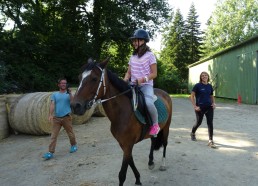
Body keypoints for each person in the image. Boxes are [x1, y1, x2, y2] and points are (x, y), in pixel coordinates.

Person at [124, 28, 160, 136]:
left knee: (148, 104)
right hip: (133, 85)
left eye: (136, 40)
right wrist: (125, 79)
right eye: (133, 41)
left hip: (146, 86)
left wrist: (143, 79)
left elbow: (154, 73)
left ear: (143, 41)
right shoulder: (132, 57)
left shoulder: (150, 55)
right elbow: (128, 73)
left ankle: (155, 125)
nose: (134, 43)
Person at [43, 78, 78, 160]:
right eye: (62, 83)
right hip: (56, 118)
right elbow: (52, 104)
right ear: (58, 85)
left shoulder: (68, 94)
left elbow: (73, 102)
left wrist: (70, 93)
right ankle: (50, 152)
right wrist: (50, 114)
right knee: (53, 136)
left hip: (66, 117)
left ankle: (73, 145)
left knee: (70, 133)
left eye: (65, 83)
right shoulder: (54, 94)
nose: (63, 84)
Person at [190, 71, 217, 148]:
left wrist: (214, 103)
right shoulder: (197, 86)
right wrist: (195, 106)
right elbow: (191, 96)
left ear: (208, 77)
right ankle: (192, 133)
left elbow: (211, 96)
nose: (204, 76)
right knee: (199, 122)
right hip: (200, 108)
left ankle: (210, 140)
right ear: (200, 77)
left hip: (209, 107)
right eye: (202, 76)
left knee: (210, 123)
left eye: (205, 75)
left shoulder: (210, 86)